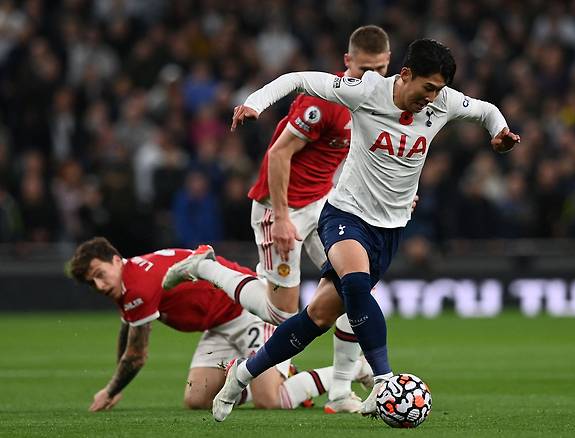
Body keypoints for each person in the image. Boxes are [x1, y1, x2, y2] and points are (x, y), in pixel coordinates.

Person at [175, 38, 520, 423]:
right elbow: (299, 79)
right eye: (427, 88)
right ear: (404, 75)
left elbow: (487, 110)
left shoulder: (444, 102)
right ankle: (383, 381)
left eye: (439, 90)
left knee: (316, 318)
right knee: (356, 284)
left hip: (389, 230)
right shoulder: (366, 91)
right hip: (344, 214)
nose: (432, 98)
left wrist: (500, 133)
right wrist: (255, 103)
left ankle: (242, 375)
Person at [163, 25, 391, 413]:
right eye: (363, 69)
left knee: (355, 288)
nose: (371, 78)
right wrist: (283, 218)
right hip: (278, 206)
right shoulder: (324, 100)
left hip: (323, 204)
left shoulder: (378, 100)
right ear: (346, 62)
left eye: (380, 69)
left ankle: (339, 392)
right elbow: (279, 154)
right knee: (281, 312)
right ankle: (204, 266)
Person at [67, 237, 372, 412]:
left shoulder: (137, 286)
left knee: (271, 400)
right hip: (219, 324)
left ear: (116, 259)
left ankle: (355, 369)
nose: (98, 284)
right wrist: (115, 379)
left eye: (99, 273)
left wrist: (110, 391)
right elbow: (128, 327)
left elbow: (136, 355)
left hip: (246, 310)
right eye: (90, 282)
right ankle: (276, 376)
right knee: (197, 398)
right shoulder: (128, 281)